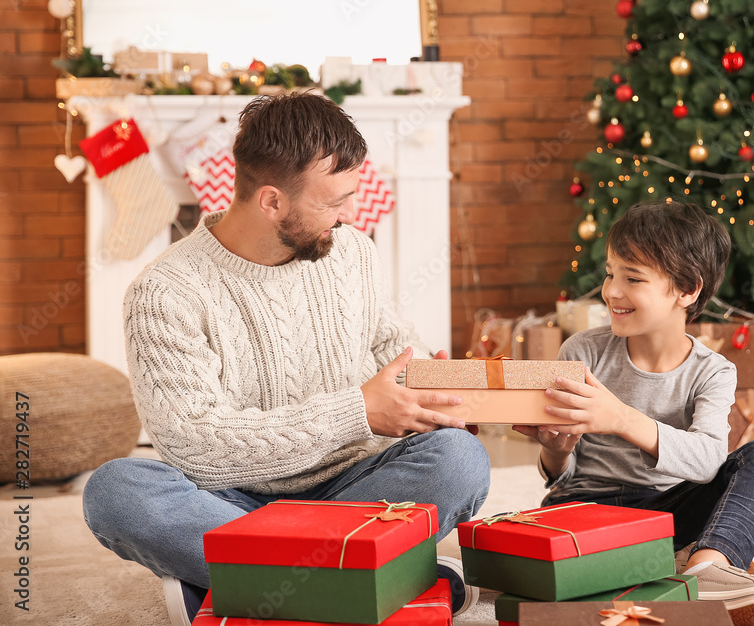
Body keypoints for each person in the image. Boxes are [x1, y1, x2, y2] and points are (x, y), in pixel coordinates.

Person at [82, 93, 490, 626]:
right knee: (117, 493)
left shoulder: (353, 253)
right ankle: (378, 574)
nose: (350, 215)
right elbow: (193, 446)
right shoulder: (163, 293)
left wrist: (447, 389)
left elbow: (392, 349)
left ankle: (243, 579)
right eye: (335, 201)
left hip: (353, 484)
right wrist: (356, 413)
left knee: (459, 458)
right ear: (271, 201)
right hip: (226, 499)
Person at [514, 201, 754, 626]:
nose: (611, 292)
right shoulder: (582, 351)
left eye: (632, 278)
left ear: (687, 290)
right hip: (584, 509)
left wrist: (620, 418)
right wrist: (555, 451)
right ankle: (680, 564)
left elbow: (708, 461)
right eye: (610, 273)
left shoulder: (713, 371)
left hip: (666, 515)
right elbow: (559, 478)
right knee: (556, 558)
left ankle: (705, 567)